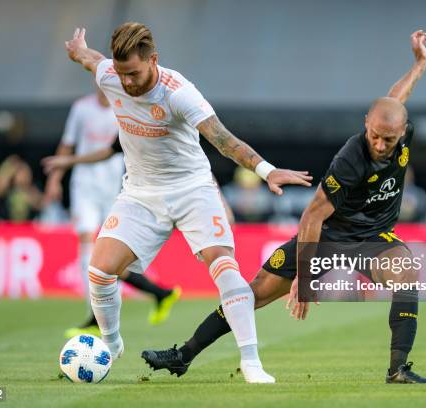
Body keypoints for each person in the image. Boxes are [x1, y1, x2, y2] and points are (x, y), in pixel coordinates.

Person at [142, 30, 426, 384]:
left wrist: (419, 64)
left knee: (406, 273)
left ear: (402, 133)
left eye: (388, 139)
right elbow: (313, 216)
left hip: (371, 238)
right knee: (252, 294)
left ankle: (397, 368)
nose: (380, 144)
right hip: (325, 236)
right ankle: (184, 355)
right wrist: (306, 280)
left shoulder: (395, 124)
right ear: (366, 126)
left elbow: (394, 98)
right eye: (374, 135)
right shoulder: (351, 160)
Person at [63, 22, 312, 383]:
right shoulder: (110, 75)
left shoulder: (178, 93)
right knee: (100, 272)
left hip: (192, 189)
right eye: (121, 73)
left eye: (133, 73)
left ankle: (251, 363)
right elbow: (92, 60)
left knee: (225, 268)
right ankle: (110, 344)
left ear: (154, 60)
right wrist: (78, 50)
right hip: (140, 193)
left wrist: (266, 169)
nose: (127, 83)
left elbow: (223, 140)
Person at [43, 88, 180, 337]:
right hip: (84, 186)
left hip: (118, 188)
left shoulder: (125, 107)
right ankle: (96, 315)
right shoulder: (82, 108)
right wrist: (55, 178)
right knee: (89, 250)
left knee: (109, 257)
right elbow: (67, 144)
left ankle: (158, 294)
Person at [0, 155, 45, 221]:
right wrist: (7, 170)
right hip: (6, 224)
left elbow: (41, 204)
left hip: (28, 225)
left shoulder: (33, 188)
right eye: (18, 172)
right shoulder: (7, 188)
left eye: (24, 172)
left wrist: (28, 193)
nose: (22, 175)